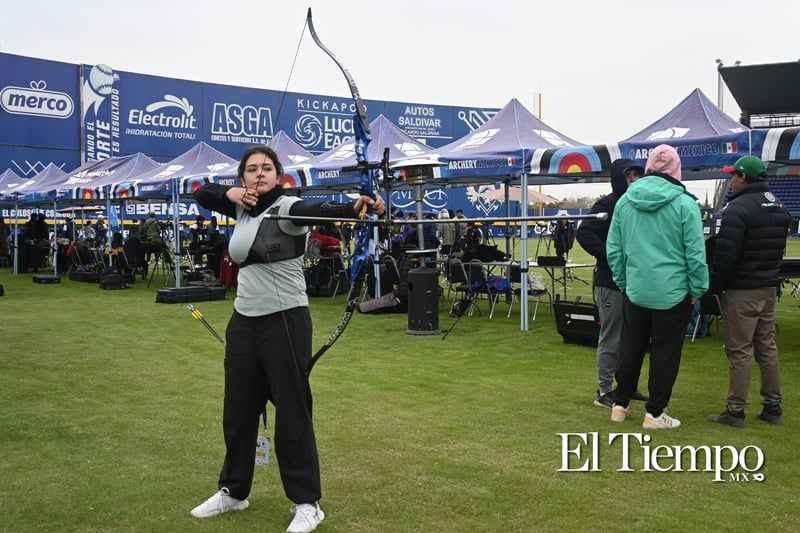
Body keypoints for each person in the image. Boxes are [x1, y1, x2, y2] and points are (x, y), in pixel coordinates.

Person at [190, 145, 385, 532]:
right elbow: (201, 192)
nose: (259, 174)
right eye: (251, 169)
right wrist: (230, 195)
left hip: (285, 322)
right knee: (239, 410)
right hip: (244, 322)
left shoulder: (289, 207)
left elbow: (323, 210)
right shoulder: (242, 207)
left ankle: (307, 502)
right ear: (242, 177)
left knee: (292, 412)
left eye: (266, 168)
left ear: (278, 175)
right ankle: (234, 491)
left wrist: (359, 206)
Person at [607, 144, 708, 429]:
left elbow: (614, 249)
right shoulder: (685, 203)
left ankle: (620, 404)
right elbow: (695, 254)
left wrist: (623, 282)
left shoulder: (626, 202)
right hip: (672, 292)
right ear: (676, 170)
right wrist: (697, 289)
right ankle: (655, 412)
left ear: (649, 168)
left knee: (630, 348)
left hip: (637, 289)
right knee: (666, 353)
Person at [707, 155, 791, 428]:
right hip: (767, 286)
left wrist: (715, 286)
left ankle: (735, 410)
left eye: (733, 175)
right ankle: (773, 406)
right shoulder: (779, 206)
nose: (731, 180)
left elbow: (726, 256)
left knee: (740, 350)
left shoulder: (737, 208)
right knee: (766, 348)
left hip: (743, 290)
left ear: (743, 177)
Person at [576, 158, 648, 408]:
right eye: (629, 176)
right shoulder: (608, 203)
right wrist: (610, 256)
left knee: (632, 338)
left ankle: (626, 386)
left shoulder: (637, 202)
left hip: (633, 281)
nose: (634, 180)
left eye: (638, 175)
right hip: (610, 282)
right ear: (619, 178)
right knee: (611, 337)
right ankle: (605, 390)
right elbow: (584, 232)